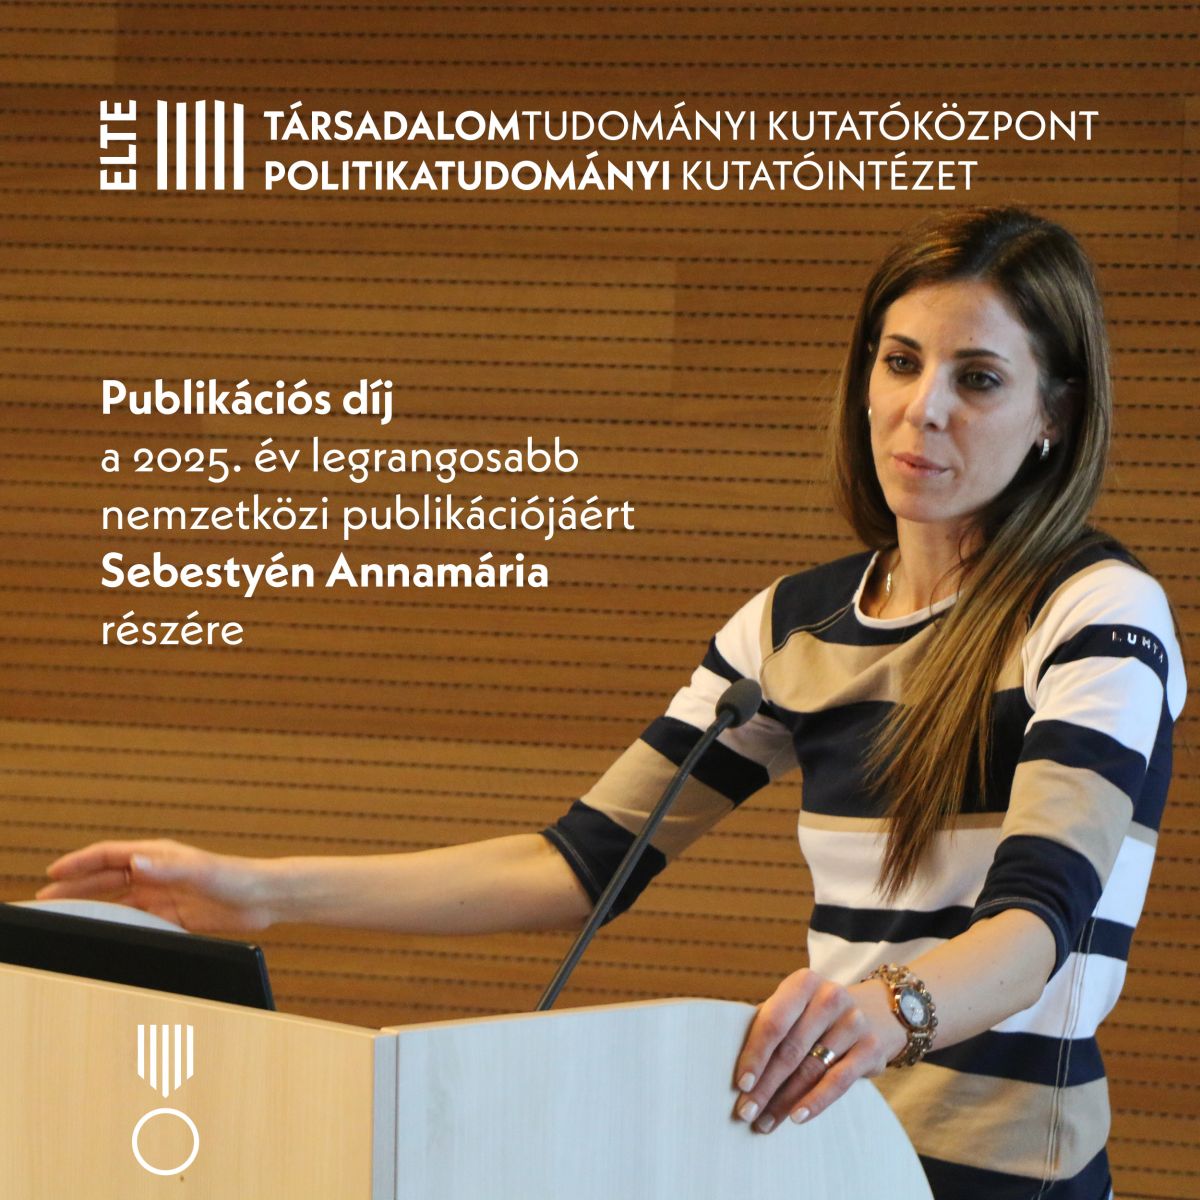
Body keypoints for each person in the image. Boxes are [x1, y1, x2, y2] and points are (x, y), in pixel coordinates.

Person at [38, 206, 1184, 1200]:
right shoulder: (794, 628)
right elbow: (582, 864)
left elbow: (1038, 928)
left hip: (1008, 1174)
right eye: (899, 362)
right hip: (824, 1152)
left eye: (977, 379)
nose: (921, 409)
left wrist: (888, 1010)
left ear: (1054, 413)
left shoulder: (1095, 610)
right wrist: (262, 891)